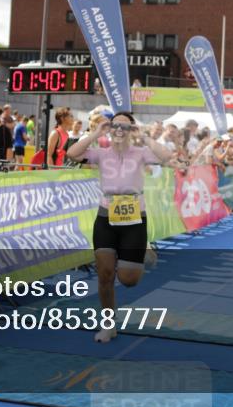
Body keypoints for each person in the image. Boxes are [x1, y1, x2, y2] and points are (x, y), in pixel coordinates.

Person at [66, 111, 174, 343]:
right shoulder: (101, 153)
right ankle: (108, 324)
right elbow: (72, 154)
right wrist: (96, 132)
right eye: (115, 125)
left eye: (125, 127)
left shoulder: (141, 153)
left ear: (131, 130)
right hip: (105, 216)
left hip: (134, 218)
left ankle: (143, 250)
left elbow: (167, 157)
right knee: (104, 274)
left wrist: (143, 137)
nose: (119, 130)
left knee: (128, 279)